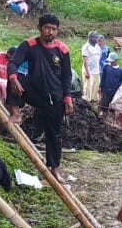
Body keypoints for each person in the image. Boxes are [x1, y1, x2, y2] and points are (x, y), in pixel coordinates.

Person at [7, 13, 74, 182]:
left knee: (54, 134)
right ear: (39, 28)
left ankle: (55, 168)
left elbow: (67, 76)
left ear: (57, 31)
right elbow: (12, 63)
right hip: (35, 93)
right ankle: (15, 112)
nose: (50, 32)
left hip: (55, 97)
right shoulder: (29, 45)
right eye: (47, 28)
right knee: (15, 78)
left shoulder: (62, 49)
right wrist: (13, 77)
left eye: (53, 29)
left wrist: (68, 98)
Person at [99, 52, 122, 121]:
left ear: (116, 60)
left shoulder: (121, 71)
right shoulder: (106, 67)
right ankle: (103, 120)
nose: (110, 62)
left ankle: (114, 122)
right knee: (104, 106)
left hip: (115, 92)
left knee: (114, 108)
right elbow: (103, 79)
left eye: (112, 60)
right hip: (106, 90)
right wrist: (100, 89)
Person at [80, 32, 104, 104]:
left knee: (96, 87)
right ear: (90, 38)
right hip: (88, 71)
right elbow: (85, 61)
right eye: (95, 37)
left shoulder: (97, 46)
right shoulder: (86, 47)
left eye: (97, 37)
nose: (96, 39)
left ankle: (94, 102)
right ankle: (87, 103)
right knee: (88, 88)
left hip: (96, 71)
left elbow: (99, 57)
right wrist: (87, 72)